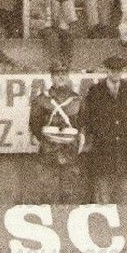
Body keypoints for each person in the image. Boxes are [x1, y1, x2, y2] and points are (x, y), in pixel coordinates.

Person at [80, 55, 127, 204]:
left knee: (126, 196)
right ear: (106, 70)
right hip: (103, 150)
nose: (115, 73)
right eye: (112, 70)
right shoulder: (96, 91)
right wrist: (101, 135)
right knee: (103, 197)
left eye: (118, 70)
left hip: (125, 149)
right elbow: (88, 118)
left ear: (123, 71)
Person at [28, 61, 84, 204]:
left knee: (70, 198)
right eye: (57, 74)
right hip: (48, 157)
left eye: (63, 73)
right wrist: (49, 141)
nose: (61, 77)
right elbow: (34, 125)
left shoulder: (77, 100)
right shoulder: (41, 100)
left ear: (68, 76)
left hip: (70, 157)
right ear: (51, 77)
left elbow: (82, 125)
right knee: (48, 199)